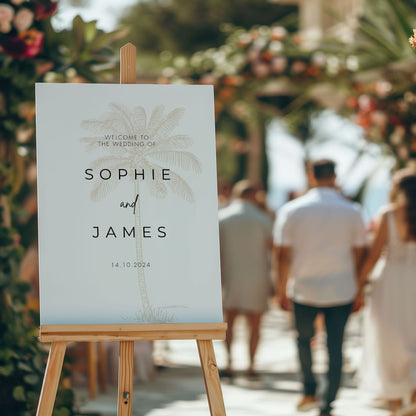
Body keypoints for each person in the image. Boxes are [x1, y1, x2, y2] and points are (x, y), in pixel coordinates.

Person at [273, 159, 367, 416]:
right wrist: (358, 289)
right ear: (334, 177)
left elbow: (281, 254)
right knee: (335, 346)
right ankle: (327, 403)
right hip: (341, 288)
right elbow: (360, 254)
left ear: (310, 176)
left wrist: (281, 289)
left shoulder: (292, 210)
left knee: (303, 341)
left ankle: (308, 391)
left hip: (303, 288)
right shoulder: (353, 210)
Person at [357, 168, 416, 416]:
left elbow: (373, 256)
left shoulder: (389, 214)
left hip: (391, 280)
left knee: (389, 340)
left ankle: (394, 402)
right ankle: (412, 393)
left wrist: (358, 285)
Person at [218, 179, 274, 378]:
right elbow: (273, 249)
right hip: (257, 276)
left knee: (228, 322)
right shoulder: (263, 219)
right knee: (255, 323)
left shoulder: (221, 217)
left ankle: (229, 363)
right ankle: (251, 365)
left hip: (228, 275)